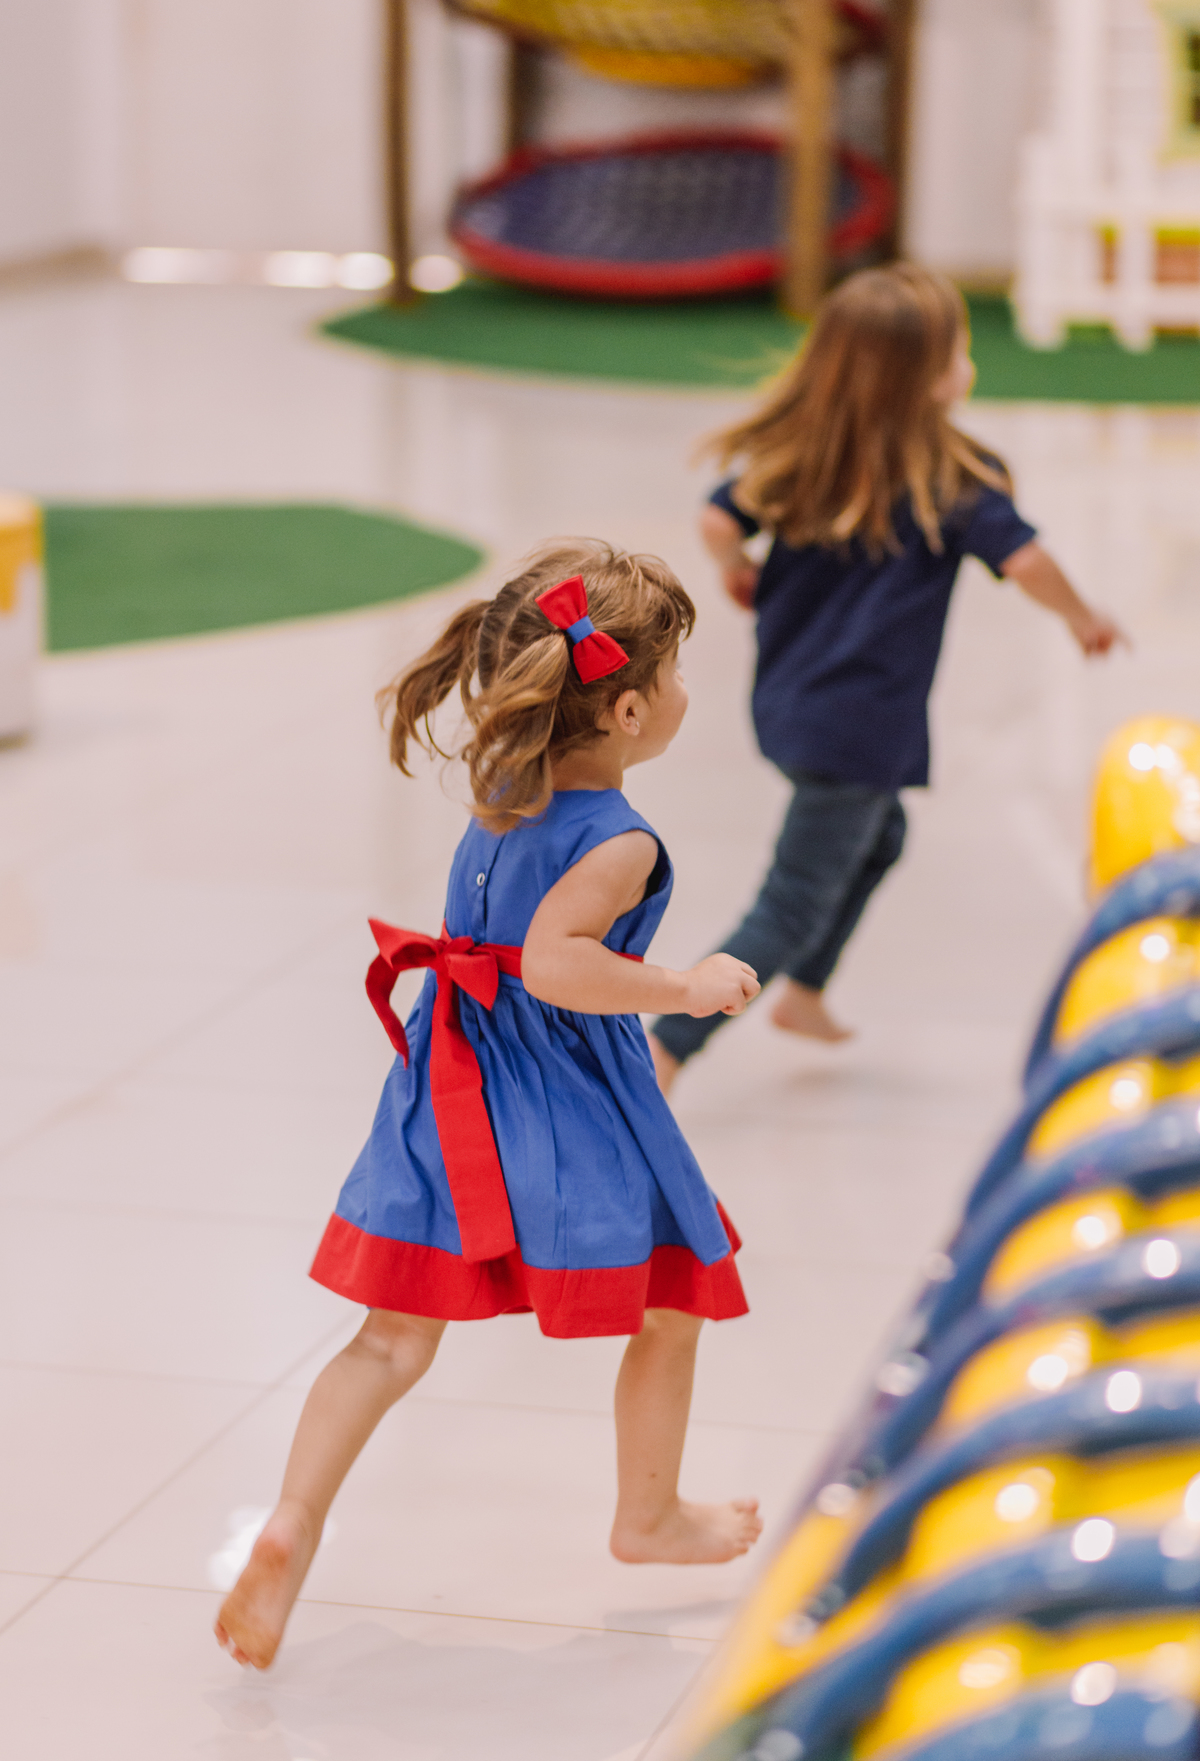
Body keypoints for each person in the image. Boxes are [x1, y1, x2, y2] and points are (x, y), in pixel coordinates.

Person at [215, 542, 762, 1671]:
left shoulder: (507, 784)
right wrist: (684, 988)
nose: (684, 694)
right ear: (625, 711)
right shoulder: (621, 839)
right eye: (675, 676)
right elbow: (557, 965)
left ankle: (293, 1522)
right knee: (673, 1298)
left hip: (452, 1075)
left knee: (391, 1336)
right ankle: (649, 1516)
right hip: (560, 1092)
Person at [650, 263, 1127, 1096]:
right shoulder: (959, 480)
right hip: (861, 726)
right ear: (931, 376)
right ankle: (667, 1048)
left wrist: (736, 568)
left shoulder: (803, 457)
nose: (967, 362)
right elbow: (1029, 562)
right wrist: (1083, 617)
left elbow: (716, 518)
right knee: (791, 900)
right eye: (959, 349)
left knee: (882, 836)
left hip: (790, 702)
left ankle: (805, 994)